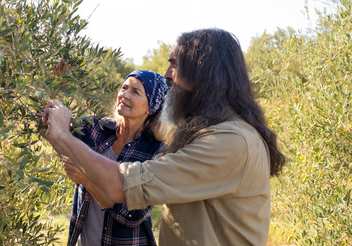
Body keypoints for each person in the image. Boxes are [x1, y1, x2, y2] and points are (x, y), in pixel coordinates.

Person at [40, 29, 286, 246]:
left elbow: (120, 189)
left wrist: (62, 137)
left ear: (205, 75)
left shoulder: (230, 143)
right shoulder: (201, 132)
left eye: (176, 65)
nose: (167, 74)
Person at [61, 70, 169, 246]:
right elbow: (56, 127)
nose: (125, 95)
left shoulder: (157, 152)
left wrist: (87, 180)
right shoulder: (98, 129)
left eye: (135, 91)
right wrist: (54, 82)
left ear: (151, 107)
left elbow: (131, 215)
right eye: (124, 88)